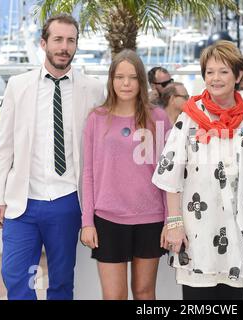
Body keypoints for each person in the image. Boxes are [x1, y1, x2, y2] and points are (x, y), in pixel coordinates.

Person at [0, 14, 105, 300]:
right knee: (17, 276)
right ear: (44, 43)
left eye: (70, 41)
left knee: (62, 280)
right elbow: (4, 147)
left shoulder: (92, 89)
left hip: (67, 201)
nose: (64, 47)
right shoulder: (18, 86)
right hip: (23, 202)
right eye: (58, 40)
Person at [152, 40, 243, 300]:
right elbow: (171, 174)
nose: (215, 78)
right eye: (210, 72)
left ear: (238, 76)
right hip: (198, 235)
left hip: (240, 234)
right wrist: (174, 224)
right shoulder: (190, 116)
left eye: (224, 71)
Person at [80, 49, 171, 300]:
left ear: (141, 81)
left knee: (144, 292)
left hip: (150, 218)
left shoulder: (158, 118)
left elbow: (168, 174)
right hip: (108, 219)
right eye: (119, 77)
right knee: (114, 296)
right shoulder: (97, 119)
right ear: (111, 81)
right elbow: (89, 173)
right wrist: (87, 222)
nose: (126, 83)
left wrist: (170, 220)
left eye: (132, 77)